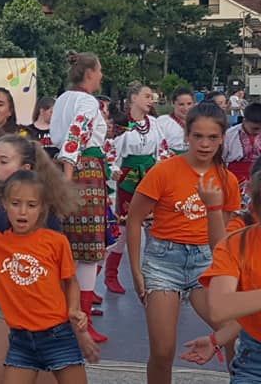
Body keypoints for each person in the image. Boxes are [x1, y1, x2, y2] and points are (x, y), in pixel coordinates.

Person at [0, 168, 98, 384]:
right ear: (4, 204)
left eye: (31, 205)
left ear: (42, 207)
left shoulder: (56, 242)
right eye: (15, 204)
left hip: (58, 335)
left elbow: (71, 282)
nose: (22, 212)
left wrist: (73, 310)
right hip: (20, 339)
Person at [126, 102, 239, 384]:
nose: (205, 144)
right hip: (164, 261)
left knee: (234, 334)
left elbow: (224, 238)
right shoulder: (164, 172)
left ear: (222, 138)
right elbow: (134, 219)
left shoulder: (227, 180)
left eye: (212, 137)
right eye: (198, 136)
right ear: (187, 135)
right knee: (163, 351)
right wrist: (137, 272)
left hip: (206, 262)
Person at [50, 52, 109, 343]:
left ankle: (65, 314)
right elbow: (76, 135)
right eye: (99, 70)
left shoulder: (62, 98)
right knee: (87, 249)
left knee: (68, 246)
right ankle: (81, 321)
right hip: (82, 170)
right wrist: (69, 176)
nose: (101, 76)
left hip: (65, 167)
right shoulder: (87, 102)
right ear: (89, 73)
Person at [196, 166, 261, 382]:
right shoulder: (239, 241)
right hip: (254, 358)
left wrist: (218, 338)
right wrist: (214, 210)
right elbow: (221, 307)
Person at [105, 82, 168, 296]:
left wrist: (160, 166)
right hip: (129, 178)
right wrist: (113, 169)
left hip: (150, 176)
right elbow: (110, 150)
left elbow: (163, 149)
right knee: (124, 227)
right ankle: (110, 275)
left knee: (153, 226)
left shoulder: (154, 123)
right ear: (133, 98)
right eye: (147, 96)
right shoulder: (122, 124)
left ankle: (154, 275)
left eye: (152, 97)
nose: (151, 100)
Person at [222, 102, 261, 206]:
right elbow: (221, 159)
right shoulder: (230, 134)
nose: (258, 132)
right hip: (234, 178)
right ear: (244, 121)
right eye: (255, 128)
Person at [156, 87, 195, 156]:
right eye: (181, 104)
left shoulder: (198, 122)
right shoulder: (163, 122)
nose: (186, 108)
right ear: (173, 104)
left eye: (189, 104)